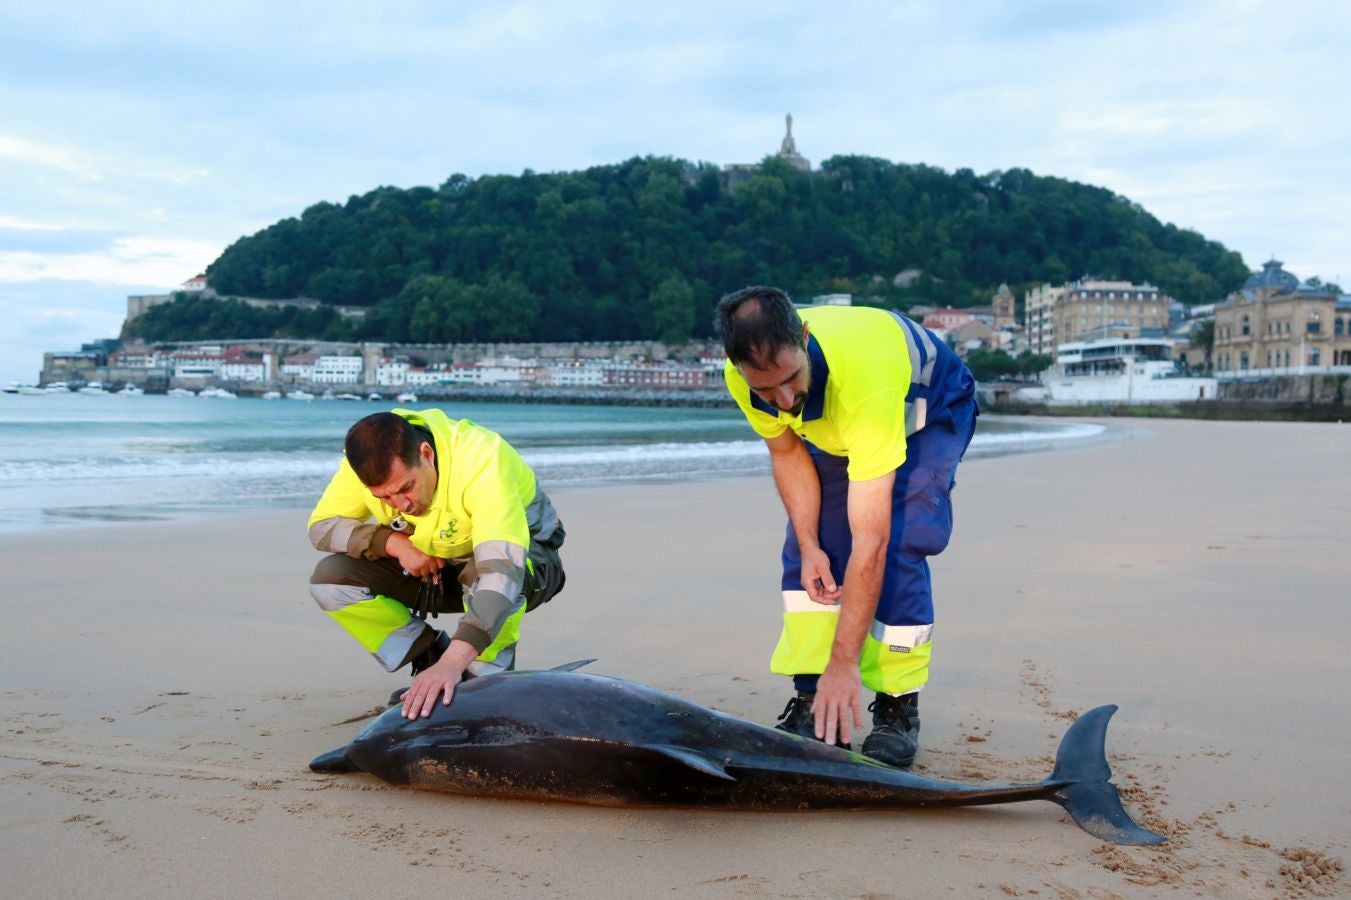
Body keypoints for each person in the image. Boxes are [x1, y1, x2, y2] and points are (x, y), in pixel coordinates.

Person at [716, 287, 977, 768]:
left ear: (804, 336)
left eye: (790, 379)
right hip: (843, 421)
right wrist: (810, 544)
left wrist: (845, 662)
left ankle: (897, 704)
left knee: (899, 542)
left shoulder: (865, 379)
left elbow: (871, 541)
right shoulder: (741, 376)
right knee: (812, 545)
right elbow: (787, 452)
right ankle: (815, 696)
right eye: (767, 391)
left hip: (926, 411)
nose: (784, 401)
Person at [307, 409, 565, 720]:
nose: (402, 505)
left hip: (526, 566)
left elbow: (502, 573)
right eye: (384, 498)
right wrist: (394, 543)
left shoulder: (482, 458)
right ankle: (431, 658)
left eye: (406, 487)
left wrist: (454, 663)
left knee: (489, 574)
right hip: (440, 569)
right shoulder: (364, 461)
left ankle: (485, 679)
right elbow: (322, 528)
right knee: (330, 580)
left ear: (426, 454)